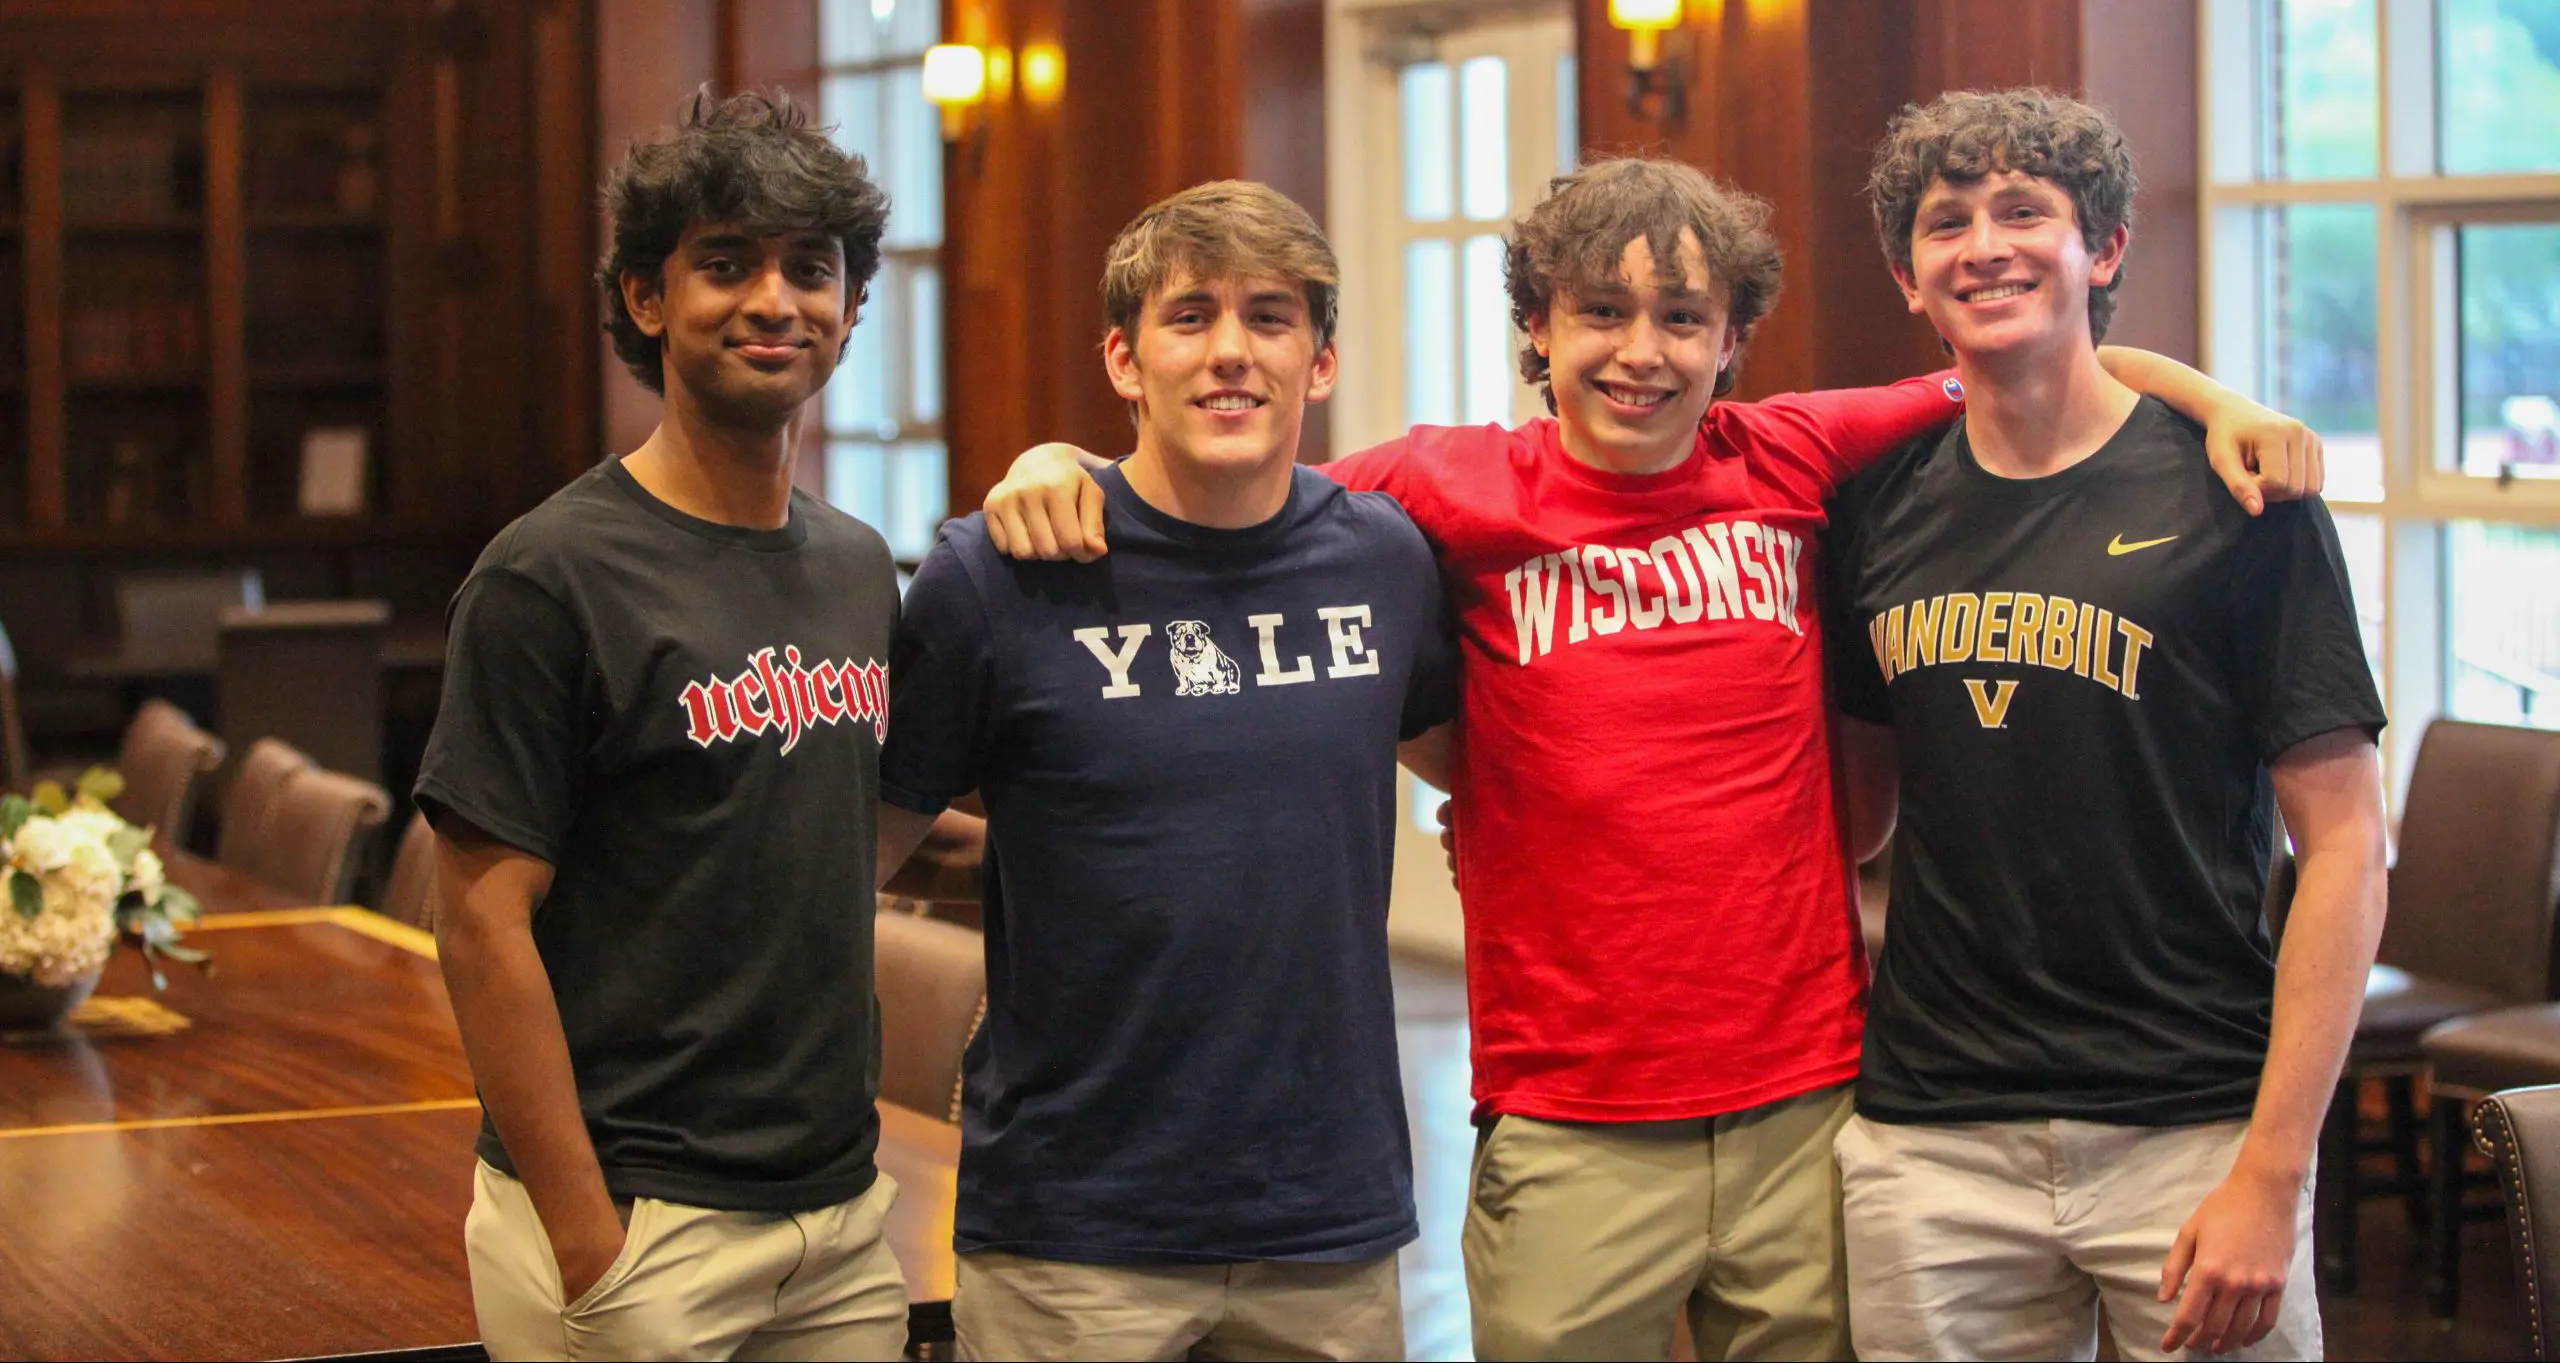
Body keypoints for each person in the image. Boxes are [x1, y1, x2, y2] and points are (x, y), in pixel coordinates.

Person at [982, 157, 2317, 1360]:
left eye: (1682, 317)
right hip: (1570, 1112)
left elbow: (2027, 354)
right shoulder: (1445, 486)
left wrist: (2222, 400)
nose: (1641, 353)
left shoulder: (1790, 454)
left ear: (1731, 339)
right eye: (1599, 315)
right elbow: (1235, 483)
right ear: (1538, 332)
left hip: (1808, 1095)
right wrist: (1065, 462)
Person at [1823, 88, 2389, 1362]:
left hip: (2191, 1126)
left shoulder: (2239, 492)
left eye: (2024, 211)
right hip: (1932, 1140)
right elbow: (1849, 815)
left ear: (2106, 248)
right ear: (1907, 278)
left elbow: (2347, 848)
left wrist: (2274, 1171)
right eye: (1945, 221)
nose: (1984, 246)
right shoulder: (1870, 507)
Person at [872, 180, 1456, 1361]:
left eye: (1271, 317)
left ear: (1322, 362)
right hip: (1073, 1234)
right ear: (1123, 361)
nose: (1231, 352)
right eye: (1190, 317)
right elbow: (845, 864)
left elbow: (1489, 772)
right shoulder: (999, 576)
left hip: (1328, 1222)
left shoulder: (1385, 562)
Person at [418, 90, 916, 1362]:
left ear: (852, 310)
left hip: (840, 1217)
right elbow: (478, 923)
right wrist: (592, 1237)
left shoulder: (861, 566)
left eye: (812, 270)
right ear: (647, 299)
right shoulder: (549, 576)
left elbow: (831, 829)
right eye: (725, 263)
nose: (774, 301)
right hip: (642, 1222)